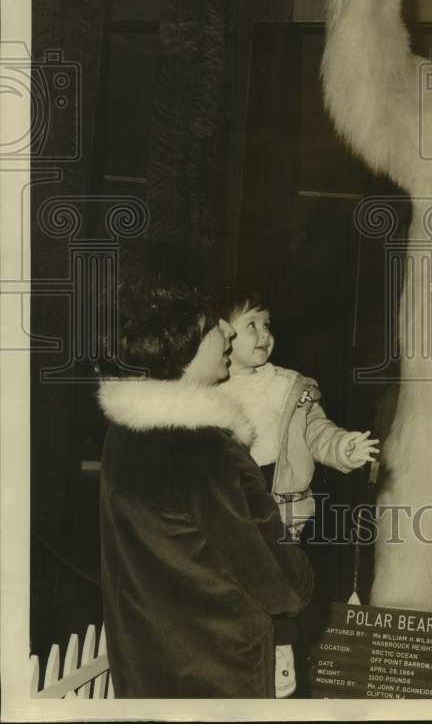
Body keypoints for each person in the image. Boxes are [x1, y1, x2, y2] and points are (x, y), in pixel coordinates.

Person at [97, 266, 313, 698]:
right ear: (183, 339)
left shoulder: (123, 432)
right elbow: (282, 584)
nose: (227, 333)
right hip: (219, 670)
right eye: (214, 323)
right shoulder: (207, 448)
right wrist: (304, 577)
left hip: (145, 662)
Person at [221, 290, 379, 695]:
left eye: (267, 323)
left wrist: (344, 447)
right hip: (229, 504)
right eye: (250, 325)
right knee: (235, 589)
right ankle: (240, 660)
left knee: (282, 586)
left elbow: (317, 432)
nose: (263, 334)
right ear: (222, 335)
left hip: (281, 507)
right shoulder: (210, 388)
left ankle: (283, 652)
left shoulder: (291, 385)